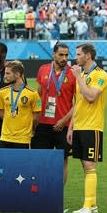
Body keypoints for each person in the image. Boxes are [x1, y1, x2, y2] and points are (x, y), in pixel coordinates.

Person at [67, 43, 107, 213]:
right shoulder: (83, 75)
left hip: (93, 127)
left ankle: (87, 205)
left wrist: (78, 78)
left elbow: (91, 97)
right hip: (79, 126)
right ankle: (91, 204)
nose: (76, 57)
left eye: (78, 54)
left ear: (88, 56)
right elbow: (78, 103)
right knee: (85, 166)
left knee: (89, 164)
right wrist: (71, 126)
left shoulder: (100, 75)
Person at [32, 43, 76, 183]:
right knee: (40, 160)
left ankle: (58, 197)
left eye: (66, 55)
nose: (64, 58)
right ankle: (42, 193)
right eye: (61, 55)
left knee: (63, 161)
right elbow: (38, 95)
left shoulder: (72, 73)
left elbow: (78, 103)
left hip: (63, 125)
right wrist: (36, 116)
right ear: (54, 54)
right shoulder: (43, 69)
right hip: (43, 124)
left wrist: (64, 121)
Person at [0, 61, 41, 149]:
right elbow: (1, 114)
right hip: (5, 138)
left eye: (8, 73)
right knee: (1, 162)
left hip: (23, 140)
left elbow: (36, 117)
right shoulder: (3, 92)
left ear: (17, 74)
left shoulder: (33, 94)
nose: (5, 76)